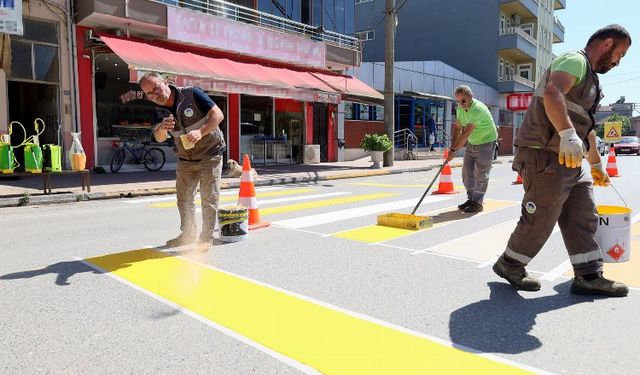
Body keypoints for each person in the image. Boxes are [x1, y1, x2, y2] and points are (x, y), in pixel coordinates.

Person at [493, 25, 632, 297]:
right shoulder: (574, 61)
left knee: (584, 214)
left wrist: (595, 164)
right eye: (621, 53)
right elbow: (552, 92)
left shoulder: (591, 79)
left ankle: (589, 275)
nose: (618, 62)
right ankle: (510, 264)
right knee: (542, 214)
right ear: (607, 43)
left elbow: (586, 128)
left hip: (568, 158)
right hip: (543, 151)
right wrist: (568, 134)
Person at [139, 72, 226, 250]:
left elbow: (218, 115)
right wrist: (162, 129)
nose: (155, 94)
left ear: (165, 82)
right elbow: (159, 137)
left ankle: (206, 238)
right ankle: (188, 234)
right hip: (186, 159)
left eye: (156, 88)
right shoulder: (158, 111)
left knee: (209, 198)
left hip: (210, 153)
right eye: (150, 93)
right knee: (184, 199)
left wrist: (201, 132)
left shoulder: (191, 94)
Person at [446, 85, 498, 213]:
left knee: (481, 173)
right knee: (467, 172)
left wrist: (453, 152)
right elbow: (457, 128)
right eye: (458, 101)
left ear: (470, 97)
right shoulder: (460, 109)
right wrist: (452, 148)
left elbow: (466, 133)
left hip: (486, 142)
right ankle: (471, 199)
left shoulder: (477, 109)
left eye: (463, 100)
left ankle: (478, 202)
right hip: (472, 142)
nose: (460, 104)